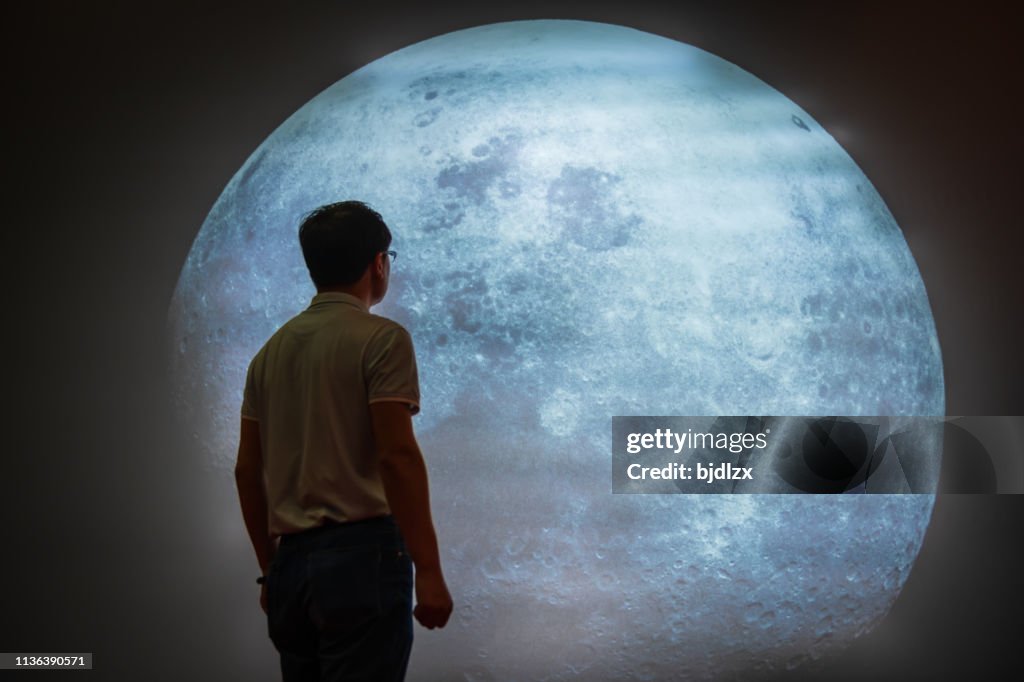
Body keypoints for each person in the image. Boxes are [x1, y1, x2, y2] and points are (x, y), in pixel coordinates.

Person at [233, 200, 453, 681]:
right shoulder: (382, 340)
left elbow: (248, 472)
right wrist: (429, 570)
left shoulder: (267, 355)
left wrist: (270, 570)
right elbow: (396, 456)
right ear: (378, 264)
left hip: (291, 566)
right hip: (363, 558)